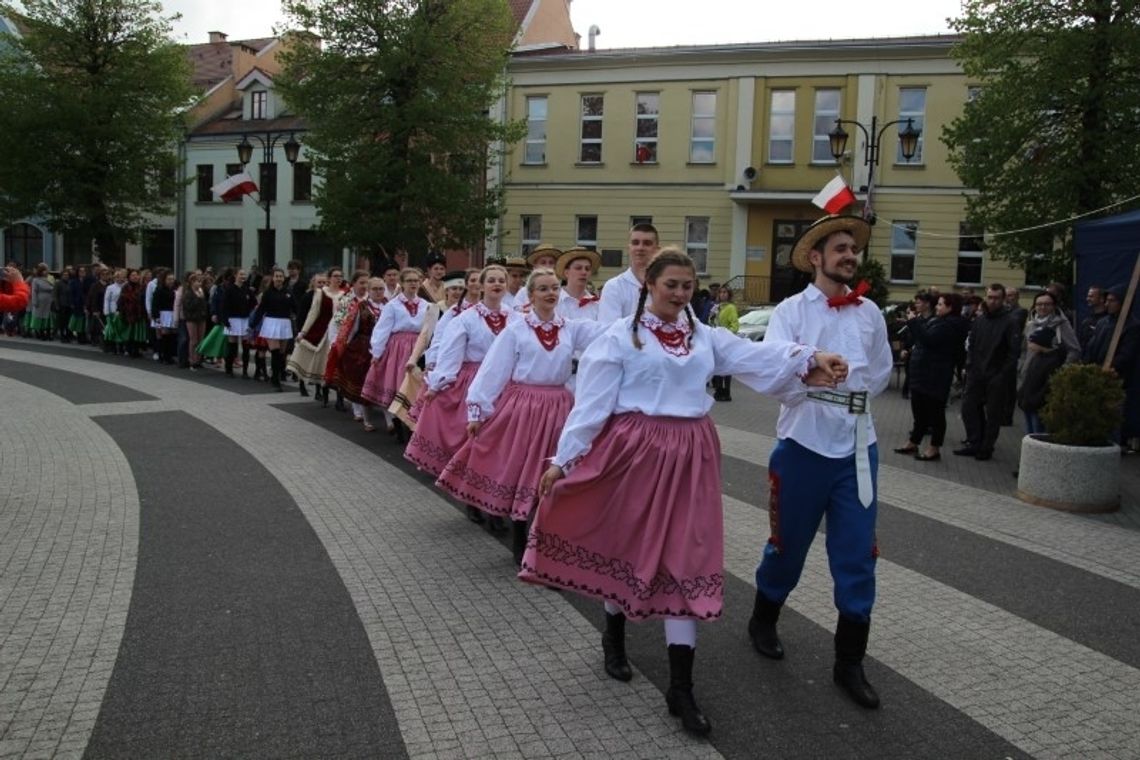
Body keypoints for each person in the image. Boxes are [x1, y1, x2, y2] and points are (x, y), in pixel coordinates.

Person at [520, 249, 846, 737]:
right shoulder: (620, 337)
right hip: (634, 453)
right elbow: (591, 405)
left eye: (687, 285)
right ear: (649, 284)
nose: (679, 293)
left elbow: (754, 354)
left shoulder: (704, 336)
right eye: (671, 283)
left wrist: (810, 357)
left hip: (692, 455)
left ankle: (681, 688)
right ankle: (614, 636)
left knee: (685, 560)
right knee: (627, 548)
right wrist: (563, 459)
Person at [746, 214, 893, 711]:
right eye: (841, 249)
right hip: (804, 442)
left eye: (853, 248)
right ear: (816, 257)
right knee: (787, 546)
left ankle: (849, 662)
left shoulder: (870, 312)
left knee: (857, 555)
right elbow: (770, 370)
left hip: (857, 446)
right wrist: (811, 370)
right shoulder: (790, 311)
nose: (850, 256)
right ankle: (764, 616)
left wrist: (853, 393)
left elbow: (882, 373)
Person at [436, 268, 606, 565]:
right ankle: (519, 535)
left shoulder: (570, 328)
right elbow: (494, 369)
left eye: (555, 288)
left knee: (558, 470)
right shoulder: (516, 329)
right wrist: (478, 409)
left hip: (559, 406)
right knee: (522, 470)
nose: (551, 294)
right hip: (524, 405)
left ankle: (548, 537)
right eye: (543, 289)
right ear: (531, 295)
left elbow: (609, 332)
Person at [405, 265, 518, 487]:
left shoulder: (516, 317)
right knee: (474, 434)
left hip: (506, 383)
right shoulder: (465, 318)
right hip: (473, 379)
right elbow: (450, 353)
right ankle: (470, 483)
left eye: (501, 281)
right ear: (481, 286)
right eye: (491, 280)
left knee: (499, 438)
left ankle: (490, 482)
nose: (497, 284)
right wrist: (437, 384)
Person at [893, 293, 969, 461]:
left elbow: (928, 339)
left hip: (936, 375)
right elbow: (923, 334)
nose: (937, 307)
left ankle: (934, 448)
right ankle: (914, 442)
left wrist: (913, 322)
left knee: (935, 414)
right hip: (923, 373)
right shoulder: (938, 320)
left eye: (941, 304)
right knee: (919, 411)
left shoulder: (951, 325)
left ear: (950, 307)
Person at [954, 284, 1020, 460]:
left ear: (1003, 298)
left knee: (993, 414)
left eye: (996, 297)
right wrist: (969, 367)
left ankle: (987, 446)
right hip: (976, 372)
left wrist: (1002, 375)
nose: (992, 301)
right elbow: (972, 345)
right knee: (969, 407)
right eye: (990, 297)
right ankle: (974, 441)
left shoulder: (1010, 321)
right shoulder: (980, 320)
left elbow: (1013, 353)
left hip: (996, 374)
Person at [361, 268, 427, 431]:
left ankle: (410, 420)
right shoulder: (393, 305)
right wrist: (377, 353)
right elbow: (382, 329)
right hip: (398, 348)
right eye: (409, 281)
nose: (413, 283)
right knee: (398, 383)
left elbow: (430, 329)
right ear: (402, 284)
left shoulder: (426, 305)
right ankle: (396, 421)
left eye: (416, 280)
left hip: (418, 347)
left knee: (416, 384)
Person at [335, 278, 388, 424]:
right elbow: (353, 328)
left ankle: (388, 418)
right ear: (369, 291)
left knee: (385, 381)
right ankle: (362, 414)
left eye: (381, 289)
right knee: (363, 380)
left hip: (385, 347)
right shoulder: (361, 306)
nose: (378, 292)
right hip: (364, 347)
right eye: (375, 289)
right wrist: (345, 346)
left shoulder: (389, 305)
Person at [288, 268, 342, 397]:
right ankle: (316, 388)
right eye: (335, 276)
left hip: (337, 334)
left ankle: (333, 393)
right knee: (319, 362)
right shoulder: (317, 294)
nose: (338, 278)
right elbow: (311, 314)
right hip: (320, 332)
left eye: (340, 276)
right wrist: (302, 331)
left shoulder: (345, 294)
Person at [597, 223, 659, 323]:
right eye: (635, 242)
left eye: (647, 243)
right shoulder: (614, 287)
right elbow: (609, 331)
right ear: (629, 248)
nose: (640, 248)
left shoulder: (667, 287)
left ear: (657, 250)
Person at [256, 268, 297, 391]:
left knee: (281, 353)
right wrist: (252, 325)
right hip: (271, 322)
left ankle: (278, 374)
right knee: (275, 351)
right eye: (277, 276)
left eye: (281, 276)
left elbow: (296, 308)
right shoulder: (268, 293)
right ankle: (275, 379)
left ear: (283, 278)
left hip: (285, 323)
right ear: (273, 278)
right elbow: (261, 309)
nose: (279, 278)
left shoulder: (288, 293)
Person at [218, 268, 257, 377]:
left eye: (244, 275)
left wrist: (248, 309)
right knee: (232, 346)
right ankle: (229, 368)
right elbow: (224, 306)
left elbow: (254, 302)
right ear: (235, 275)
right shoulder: (229, 289)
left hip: (244, 320)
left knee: (246, 346)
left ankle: (245, 370)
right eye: (241, 274)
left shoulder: (247, 289)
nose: (243, 276)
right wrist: (225, 320)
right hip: (232, 319)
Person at [555, 247, 601, 321]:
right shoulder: (554, 301)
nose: (584, 272)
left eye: (587, 269)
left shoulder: (596, 304)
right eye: (578, 268)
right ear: (566, 273)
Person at [710, 286, 740, 401]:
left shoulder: (731, 307)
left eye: (725, 292)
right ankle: (718, 391)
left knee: (727, 367)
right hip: (717, 340)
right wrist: (712, 317)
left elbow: (735, 325)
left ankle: (726, 392)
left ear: (729, 294)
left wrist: (727, 334)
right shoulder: (716, 307)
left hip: (726, 341)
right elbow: (711, 322)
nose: (722, 294)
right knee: (717, 366)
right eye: (721, 292)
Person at [182, 273, 209, 370]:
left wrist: (202, 299)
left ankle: (198, 360)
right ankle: (192, 361)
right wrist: (198, 298)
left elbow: (205, 306)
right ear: (192, 282)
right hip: (191, 318)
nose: (199, 284)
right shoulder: (188, 293)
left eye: (200, 281)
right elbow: (188, 306)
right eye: (198, 281)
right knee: (193, 340)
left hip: (201, 318)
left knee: (201, 340)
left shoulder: (201, 292)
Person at [150, 270, 178, 364]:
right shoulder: (159, 290)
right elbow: (155, 304)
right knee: (163, 335)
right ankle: (163, 355)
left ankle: (169, 355)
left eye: (172, 279)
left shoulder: (174, 290)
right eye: (169, 279)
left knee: (171, 335)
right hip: (162, 314)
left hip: (172, 313)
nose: (171, 281)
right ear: (164, 280)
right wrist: (156, 316)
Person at [29, 264, 55, 340]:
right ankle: (39, 332)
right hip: (40, 300)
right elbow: (34, 291)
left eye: (46, 270)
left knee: (46, 317)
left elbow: (53, 287)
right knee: (38, 317)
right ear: (41, 271)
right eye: (44, 270)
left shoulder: (49, 279)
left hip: (48, 301)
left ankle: (46, 331)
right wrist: (34, 301)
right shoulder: (36, 280)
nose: (46, 272)